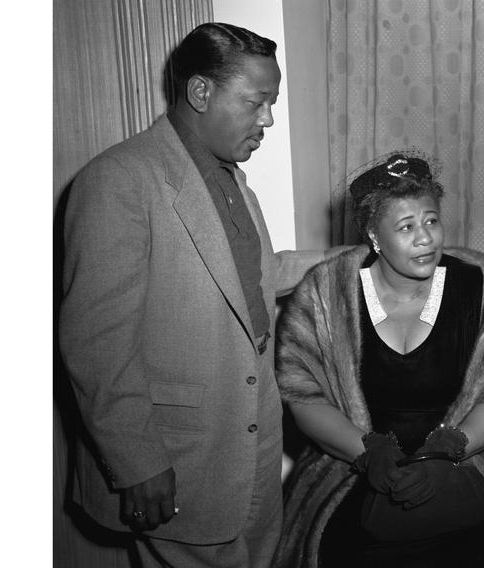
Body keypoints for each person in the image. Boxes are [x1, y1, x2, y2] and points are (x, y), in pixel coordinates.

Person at [58, 22, 331, 567]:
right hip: (176, 454)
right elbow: (96, 344)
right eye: (257, 102)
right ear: (201, 92)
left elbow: (255, 275)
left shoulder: (230, 178)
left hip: (249, 436)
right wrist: (137, 464)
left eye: (271, 103)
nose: (269, 119)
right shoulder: (119, 180)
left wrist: (355, 256)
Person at [273, 153, 484, 568]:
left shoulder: (483, 286)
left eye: (431, 221)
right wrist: (366, 450)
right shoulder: (325, 292)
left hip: (462, 467)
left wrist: (452, 447)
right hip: (351, 472)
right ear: (375, 236)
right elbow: (303, 396)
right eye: (406, 227)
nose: (426, 238)